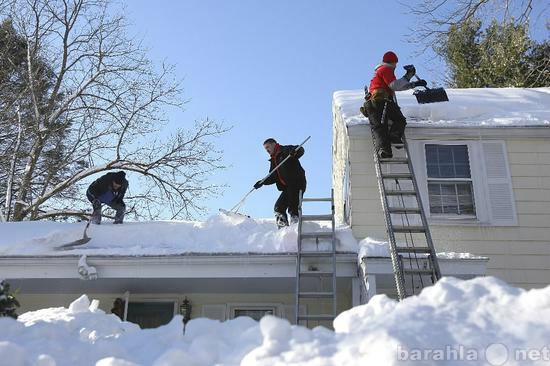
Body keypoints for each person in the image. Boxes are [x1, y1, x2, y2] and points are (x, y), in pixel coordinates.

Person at [361, 51, 427, 158]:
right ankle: (392, 139)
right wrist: (407, 76)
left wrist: (414, 83)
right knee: (390, 123)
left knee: (383, 126)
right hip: (380, 102)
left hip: (378, 102)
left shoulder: (383, 70)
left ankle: (387, 148)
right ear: (392, 62)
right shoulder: (386, 69)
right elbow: (394, 86)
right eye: (395, 63)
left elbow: (396, 87)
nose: (396, 66)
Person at [254, 138, 306, 229]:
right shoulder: (274, 160)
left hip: (296, 183)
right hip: (287, 187)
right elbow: (272, 176)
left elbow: (300, 149)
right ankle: (283, 228)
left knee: (293, 206)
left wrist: (294, 152)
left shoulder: (285, 150)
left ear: (274, 144)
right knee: (278, 207)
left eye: (268, 147)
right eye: (265, 149)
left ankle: (295, 224)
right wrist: (262, 182)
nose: (267, 150)